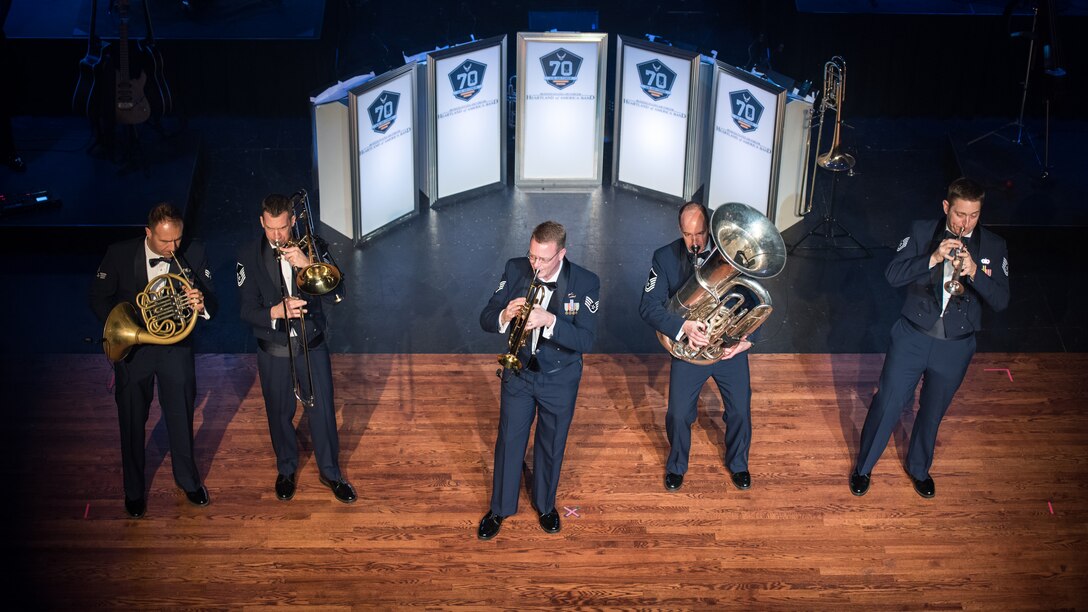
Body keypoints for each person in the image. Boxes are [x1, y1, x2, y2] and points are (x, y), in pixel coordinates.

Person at [850, 177, 1010, 498]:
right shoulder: (922, 231)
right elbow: (893, 275)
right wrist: (933, 258)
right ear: (946, 207)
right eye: (960, 215)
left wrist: (975, 272)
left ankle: (919, 468)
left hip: (956, 345)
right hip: (913, 336)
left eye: (974, 216)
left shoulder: (994, 246)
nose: (966, 223)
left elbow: (1001, 301)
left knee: (933, 410)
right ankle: (864, 467)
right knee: (888, 402)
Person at [89, 203, 215, 518]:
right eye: (164, 242)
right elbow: (98, 297)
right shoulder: (119, 253)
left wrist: (200, 304)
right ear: (148, 233)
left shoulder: (194, 252)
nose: (173, 248)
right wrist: (122, 329)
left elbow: (212, 298)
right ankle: (133, 491)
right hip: (135, 352)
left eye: (177, 240)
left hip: (176, 350)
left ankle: (188, 480)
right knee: (131, 422)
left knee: (181, 418)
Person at [476, 221, 600, 540]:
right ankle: (500, 507)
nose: (535, 265)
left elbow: (586, 340)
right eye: (532, 256)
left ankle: (545, 504)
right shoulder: (516, 269)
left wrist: (550, 321)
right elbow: (486, 317)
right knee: (509, 441)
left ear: (561, 253)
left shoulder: (585, 282)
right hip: (518, 373)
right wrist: (505, 315)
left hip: (559, 380)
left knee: (551, 443)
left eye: (543, 259)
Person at [236, 193, 356, 504]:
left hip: (311, 346)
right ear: (262, 222)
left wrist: (309, 264)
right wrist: (275, 312)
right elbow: (246, 311)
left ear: (292, 221)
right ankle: (286, 469)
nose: (277, 236)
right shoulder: (248, 255)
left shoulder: (314, 247)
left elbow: (339, 293)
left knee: (323, 412)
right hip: (273, 348)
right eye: (270, 229)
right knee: (279, 413)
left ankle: (330, 472)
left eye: (283, 228)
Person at [639, 202, 754, 492]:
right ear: (680, 231)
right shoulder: (664, 258)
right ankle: (677, 465)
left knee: (740, 411)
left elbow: (755, 299)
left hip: (728, 347)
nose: (695, 242)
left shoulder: (733, 254)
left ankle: (739, 464)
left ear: (711, 229)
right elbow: (648, 307)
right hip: (690, 348)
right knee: (678, 414)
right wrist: (683, 328)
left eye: (701, 233)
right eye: (688, 235)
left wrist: (746, 339)